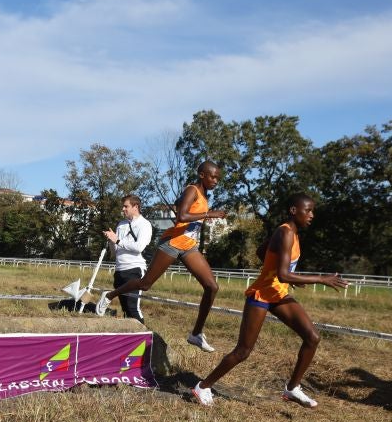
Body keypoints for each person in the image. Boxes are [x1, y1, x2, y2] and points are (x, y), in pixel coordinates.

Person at [191, 193, 349, 408]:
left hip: (279, 294)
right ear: (294, 210)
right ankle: (203, 386)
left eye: (313, 211)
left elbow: (262, 253)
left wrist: (287, 277)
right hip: (262, 295)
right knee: (243, 351)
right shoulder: (285, 233)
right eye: (308, 210)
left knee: (312, 337)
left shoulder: (292, 233)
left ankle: (292, 388)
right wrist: (322, 278)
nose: (312, 215)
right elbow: (283, 274)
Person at [96, 160, 225, 351]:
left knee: (212, 287)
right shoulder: (193, 190)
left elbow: (180, 205)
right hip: (172, 244)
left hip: (189, 246)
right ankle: (110, 295)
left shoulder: (203, 196)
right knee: (145, 284)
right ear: (201, 175)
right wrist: (210, 215)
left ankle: (196, 334)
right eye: (212, 176)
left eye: (217, 178)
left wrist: (196, 211)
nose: (215, 180)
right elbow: (181, 216)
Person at [101, 195, 154, 323]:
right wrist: (111, 241)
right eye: (123, 206)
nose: (123, 209)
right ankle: (130, 340)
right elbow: (115, 252)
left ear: (135, 207)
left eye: (126, 206)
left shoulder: (145, 225)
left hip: (134, 270)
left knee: (133, 308)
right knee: (125, 309)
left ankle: (145, 339)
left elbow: (139, 247)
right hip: (119, 270)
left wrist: (118, 240)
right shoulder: (121, 224)